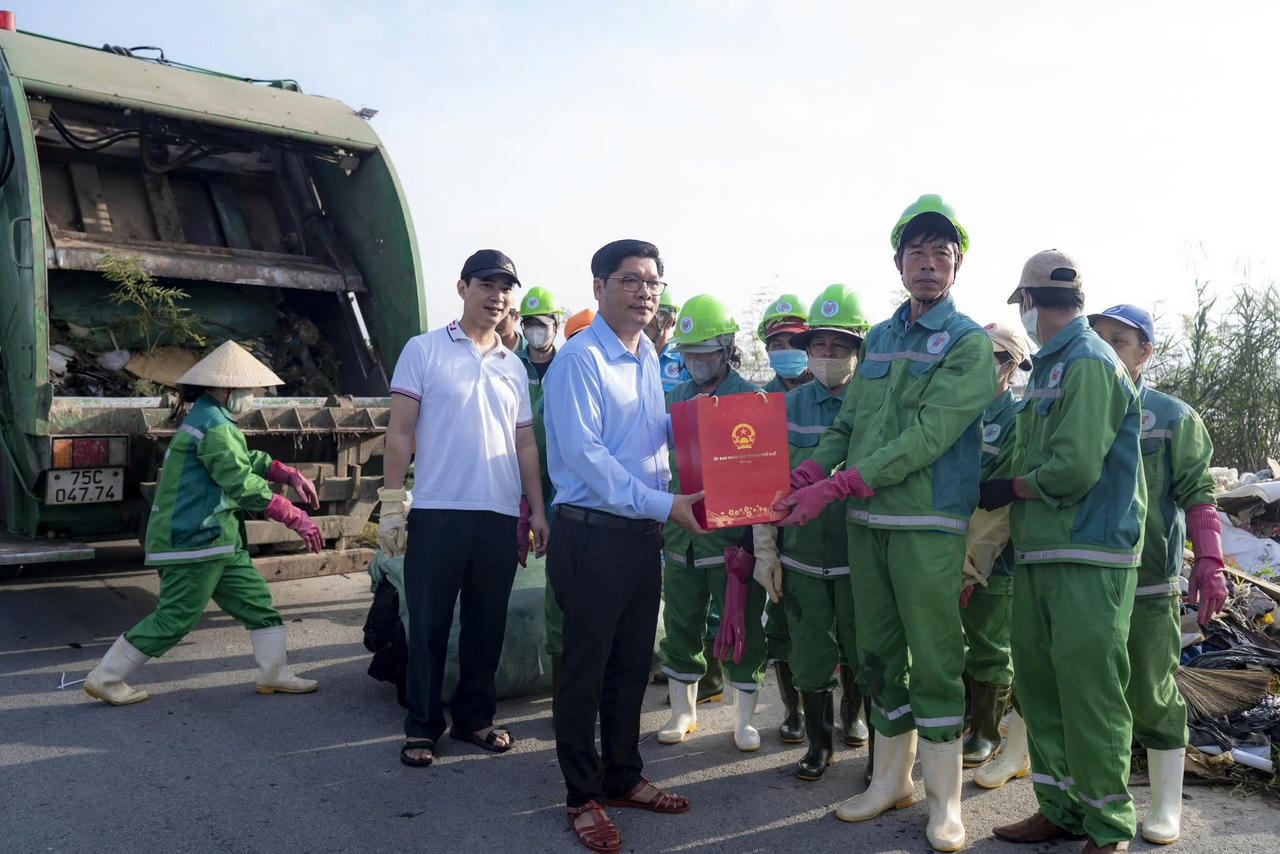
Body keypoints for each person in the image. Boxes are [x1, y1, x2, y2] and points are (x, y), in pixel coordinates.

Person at [776, 195, 994, 852]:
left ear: (956, 265)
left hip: (926, 525)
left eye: (942, 254)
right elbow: (848, 424)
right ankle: (890, 783)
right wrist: (811, 472)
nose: (928, 264)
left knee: (934, 659)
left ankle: (944, 802)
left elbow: (929, 435)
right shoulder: (881, 340)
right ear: (898, 261)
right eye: (917, 253)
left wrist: (840, 482)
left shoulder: (967, 343)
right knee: (875, 656)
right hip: (868, 522)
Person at [982, 250, 1146, 854]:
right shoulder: (1047, 369)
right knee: (1042, 686)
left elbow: (1074, 468)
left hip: (1089, 555)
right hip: (1041, 554)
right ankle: (1061, 807)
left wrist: (1012, 487)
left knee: (1091, 692)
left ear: (1025, 303)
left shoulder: (1090, 363)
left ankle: (1108, 827)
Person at [543, 239, 703, 853]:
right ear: (598, 288)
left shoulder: (645, 357)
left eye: (653, 283)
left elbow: (652, 440)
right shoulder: (579, 360)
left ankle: (623, 776)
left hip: (641, 537)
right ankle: (581, 795)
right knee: (585, 671)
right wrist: (667, 506)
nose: (644, 292)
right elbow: (588, 457)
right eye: (630, 280)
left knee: (632, 666)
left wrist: (706, 438)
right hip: (592, 535)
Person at [378, 248, 550, 768]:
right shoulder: (424, 350)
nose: (497, 296)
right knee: (428, 624)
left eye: (505, 288)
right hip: (437, 510)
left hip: (498, 514)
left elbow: (525, 444)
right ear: (462, 288)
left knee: (486, 624)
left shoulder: (512, 367)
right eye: (486, 285)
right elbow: (400, 431)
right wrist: (390, 503)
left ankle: (475, 719)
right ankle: (423, 728)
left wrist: (536, 509)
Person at [84, 341, 324, 705]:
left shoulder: (213, 418)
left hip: (218, 540)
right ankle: (106, 678)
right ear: (228, 388)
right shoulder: (213, 423)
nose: (252, 398)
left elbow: (241, 458)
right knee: (175, 618)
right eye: (248, 391)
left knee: (257, 603)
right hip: (194, 540)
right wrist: (293, 516)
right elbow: (239, 481)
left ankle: (274, 672)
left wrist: (284, 472)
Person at [1089, 303, 1227, 845]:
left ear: (1146, 352)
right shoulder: (1076, 409)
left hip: (1147, 580)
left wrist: (1211, 560)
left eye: (1119, 341)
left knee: (1150, 690)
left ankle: (1166, 803)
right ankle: (1103, 797)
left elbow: (1198, 493)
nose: (1108, 350)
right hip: (1086, 578)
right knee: (1096, 692)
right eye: (1099, 340)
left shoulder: (1170, 418)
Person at [758, 283, 870, 780]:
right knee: (809, 649)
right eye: (819, 346)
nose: (827, 355)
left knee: (863, 647)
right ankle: (820, 744)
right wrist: (766, 548)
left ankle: (856, 718)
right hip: (801, 556)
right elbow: (761, 480)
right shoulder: (785, 407)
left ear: (857, 351)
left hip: (859, 554)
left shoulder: (873, 405)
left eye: (839, 347)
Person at [657, 294, 768, 752]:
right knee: (680, 625)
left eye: (704, 352)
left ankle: (743, 720)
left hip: (731, 542)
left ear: (725, 348)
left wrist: (754, 541)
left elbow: (764, 476)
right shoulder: (673, 397)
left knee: (741, 626)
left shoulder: (753, 399)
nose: (696, 362)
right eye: (688, 354)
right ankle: (683, 711)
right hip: (680, 537)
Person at [958, 322, 1032, 771]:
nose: (984, 366)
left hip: (991, 557)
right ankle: (969, 719)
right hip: (944, 546)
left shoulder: (1016, 422)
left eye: (996, 356)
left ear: (1012, 366)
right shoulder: (957, 413)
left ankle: (986, 731)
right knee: (957, 640)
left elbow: (999, 508)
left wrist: (971, 566)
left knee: (988, 643)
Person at [541, 306, 596, 720]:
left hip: (611, 522)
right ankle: (566, 704)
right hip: (564, 515)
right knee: (561, 613)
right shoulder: (558, 385)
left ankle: (587, 703)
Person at [758, 294, 813, 393]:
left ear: (810, 347)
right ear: (767, 350)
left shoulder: (830, 393)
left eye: (795, 343)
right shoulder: (761, 398)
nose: (788, 350)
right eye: (778, 345)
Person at [519, 286, 563, 406]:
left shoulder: (565, 364)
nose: (535, 330)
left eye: (542, 324)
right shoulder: (512, 363)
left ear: (556, 325)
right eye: (529, 324)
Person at [649, 288, 689, 393]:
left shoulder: (685, 362)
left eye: (653, 317)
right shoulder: (626, 358)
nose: (645, 322)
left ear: (669, 321)